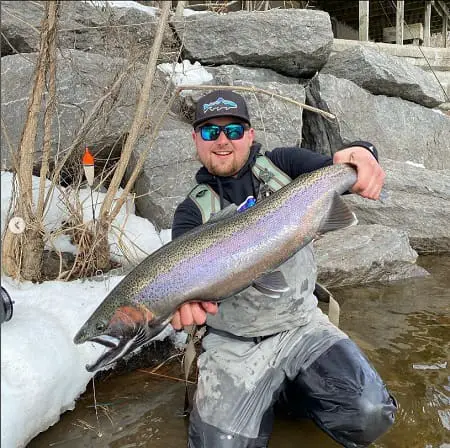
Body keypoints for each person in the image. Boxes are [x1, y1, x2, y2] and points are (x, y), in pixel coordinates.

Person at [171, 90, 397, 448]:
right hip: (235, 346)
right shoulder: (190, 214)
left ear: (250, 134)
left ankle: (292, 393)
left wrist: (363, 153)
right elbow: (183, 288)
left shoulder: (283, 165)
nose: (223, 141)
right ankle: (273, 393)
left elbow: (343, 168)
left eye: (233, 129)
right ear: (196, 139)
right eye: (210, 133)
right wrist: (184, 303)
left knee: (369, 413)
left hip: (302, 326)